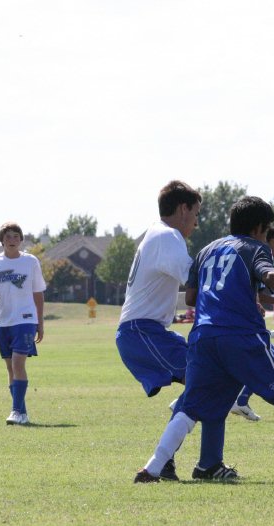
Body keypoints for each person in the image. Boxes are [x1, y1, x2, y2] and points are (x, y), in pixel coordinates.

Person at [134, 197, 274, 483]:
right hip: (242, 334)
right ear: (259, 228)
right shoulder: (255, 248)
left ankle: (152, 469)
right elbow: (270, 276)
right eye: (266, 230)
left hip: (203, 337)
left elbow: (192, 297)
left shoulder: (207, 250)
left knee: (191, 406)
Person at [116, 180, 202, 480]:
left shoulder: (157, 233)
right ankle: (165, 462)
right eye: (196, 213)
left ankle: (180, 451)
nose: (196, 222)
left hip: (144, 332)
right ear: (183, 209)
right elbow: (193, 278)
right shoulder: (168, 236)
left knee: (204, 379)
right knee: (205, 379)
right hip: (142, 332)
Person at [0, 222, 46, 425]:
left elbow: (38, 293)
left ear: (21, 240)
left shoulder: (30, 262)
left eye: (16, 236)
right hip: (3, 321)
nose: (12, 240)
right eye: (8, 236)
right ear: (1, 240)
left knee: (19, 363)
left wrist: (40, 322)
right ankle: (22, 413)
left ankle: (16, 411)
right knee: (11, 368)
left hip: (26, 319)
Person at [230, 226, 274, 421]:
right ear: (266, 241)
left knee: (241, 366)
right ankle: (241, 400)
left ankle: (183, 402)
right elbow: (254, 293)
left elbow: (257, 294)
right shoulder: (258, 256)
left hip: (242, 322)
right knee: (262, 364)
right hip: (245, 323)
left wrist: (259, 302)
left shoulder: (257, 257)